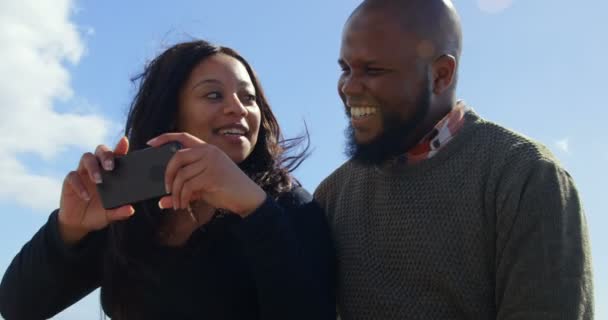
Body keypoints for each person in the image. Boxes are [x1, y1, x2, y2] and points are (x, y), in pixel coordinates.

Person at [0, 40, 335, 320]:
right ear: (171, 112)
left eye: (249, 98)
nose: (238, 109)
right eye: (214, 95)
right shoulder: (132, 207)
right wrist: (68, 230)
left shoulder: (289, 206)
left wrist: (256, 212)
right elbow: (18, 307)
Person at [314, 0, 594, 319]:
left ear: (441, 75)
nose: (348, 87)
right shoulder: (331, 197)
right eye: (345, 69)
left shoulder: (526, 178)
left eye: (373, 70)